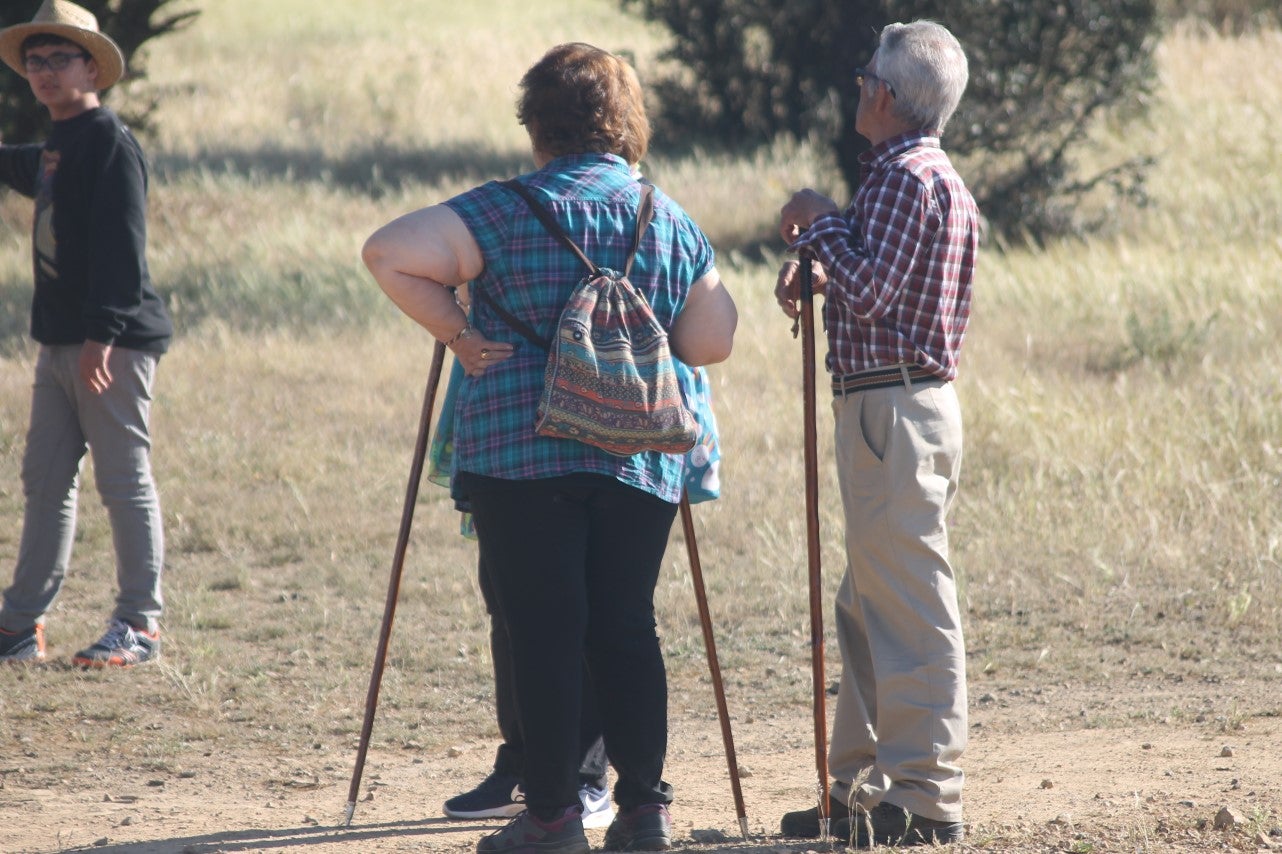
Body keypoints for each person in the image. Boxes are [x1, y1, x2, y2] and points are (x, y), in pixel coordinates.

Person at [364, 42, 736, 854]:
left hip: (518, 451)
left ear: (537, 124)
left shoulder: (499, 209)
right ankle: (643, 811)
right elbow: (711, 340)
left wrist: (459, 333)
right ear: (626, 126)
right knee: (626, 628)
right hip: (639, 455)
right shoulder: (664, 218)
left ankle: (553, 818)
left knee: (542, 629)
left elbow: (387, 253)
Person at [773, 20, 979, 849]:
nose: (858, 89)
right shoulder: (925, 177)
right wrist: (822, 255)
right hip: (899, 407)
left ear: (885, 95)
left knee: (910, 604)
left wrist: (818, 221)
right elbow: (878, 286)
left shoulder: (899, 177)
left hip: (892, 411)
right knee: (868, 602)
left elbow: (870, 291)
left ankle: (926, 800)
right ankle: (858, 794)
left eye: (865, 79)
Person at [0, 0, 171, 667]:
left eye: (58, 59)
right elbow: (20, 165)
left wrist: (103, 334)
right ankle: (18, 624)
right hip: (60, 342)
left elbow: (123, 252)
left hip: (113, 343)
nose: (43, 73)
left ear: (92, 65)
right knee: (43, 478)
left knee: (122, 479)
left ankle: (140, 624)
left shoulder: (109, 144)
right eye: (34, 62)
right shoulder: (56, 145)